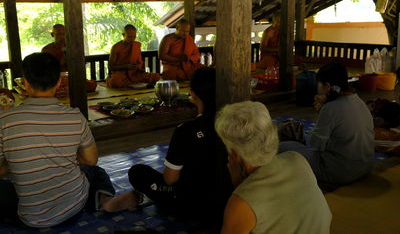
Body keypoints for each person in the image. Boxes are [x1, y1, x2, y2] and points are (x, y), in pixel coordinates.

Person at [0, 53, 138, 228]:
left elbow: (1, 170)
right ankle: (105, 200)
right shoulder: (75, 116)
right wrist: (65, 155)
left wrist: (21, 160)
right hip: (74, 205)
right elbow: (90, 160)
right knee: (95, 171)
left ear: (25, 83)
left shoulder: (4, 120)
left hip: (30, 217)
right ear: (58, 82)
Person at [128, 67, 232, 227]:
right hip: (229, 201)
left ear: (193, 95)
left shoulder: (185, 130)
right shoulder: (235, 123)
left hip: (190, 205)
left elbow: (170, 179)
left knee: (137, 173)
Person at [215, 101, 332, 234]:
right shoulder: (296, 159)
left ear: (235, 154)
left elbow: (252, 198)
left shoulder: (240, 204)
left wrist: (237, 186)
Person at [280, 61, 375, 185]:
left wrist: (320, 112)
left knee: (283, 147)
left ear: (328, 86)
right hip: (365, 167)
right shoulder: (359, 101)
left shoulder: (330, 108)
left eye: (320, 83)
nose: (318, 86)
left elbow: (315, 144)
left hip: (339, 172)